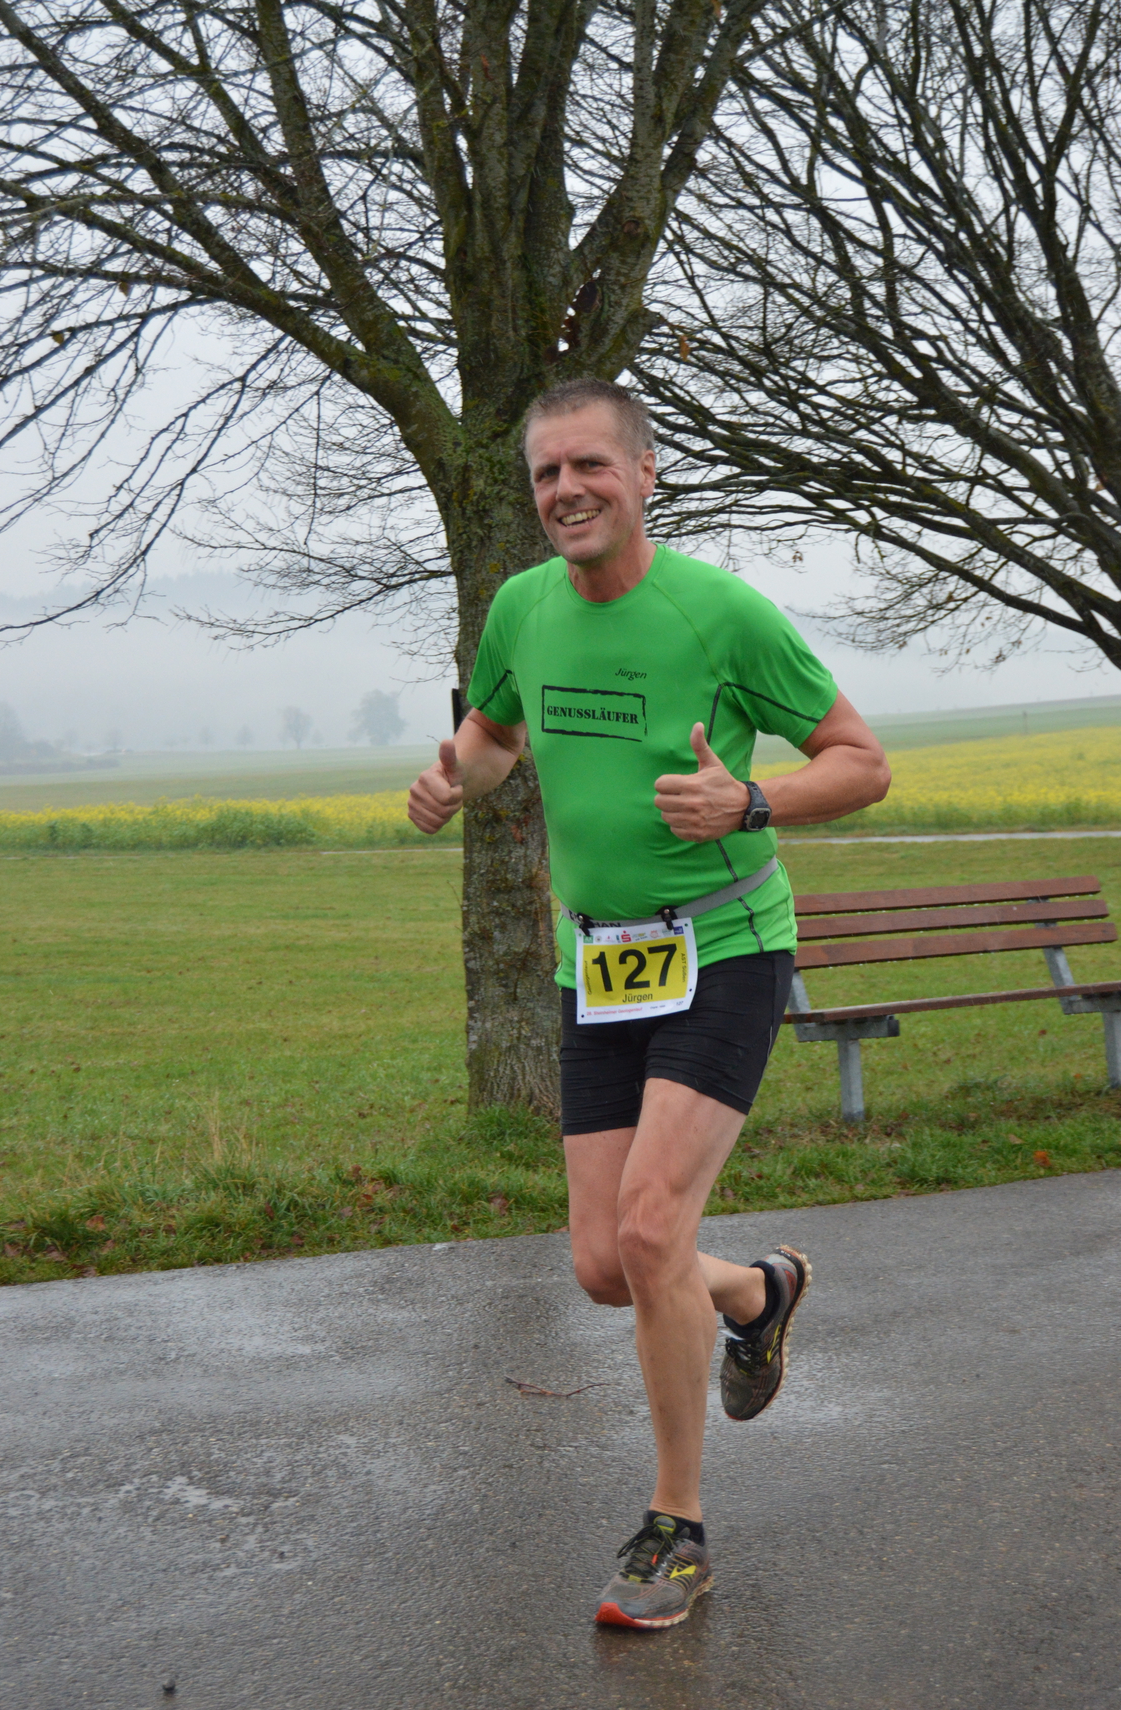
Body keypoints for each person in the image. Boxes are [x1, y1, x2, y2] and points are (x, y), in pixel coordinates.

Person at [408, 379, 889, 1630]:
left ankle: (676, 1526)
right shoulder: (520, 607)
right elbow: (497, 733)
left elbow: (862, 760)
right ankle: (756, 1293)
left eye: (590, 466)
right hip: (600, 963)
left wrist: (752, 801)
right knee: (604, 1262)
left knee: (652, 1221)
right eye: (546, 473)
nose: (567, 490)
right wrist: (457, 778)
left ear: (644, 472)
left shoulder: (720, 612)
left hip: (723, 944)